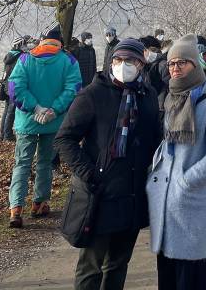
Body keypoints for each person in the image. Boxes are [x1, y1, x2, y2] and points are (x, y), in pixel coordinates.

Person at [54, 38, 159, 290]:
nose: (123, 65)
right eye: (118, 60)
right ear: (111, 62)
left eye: (130, 60)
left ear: (141, 64)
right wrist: (89, 173)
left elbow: (154, 138)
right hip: (100, 194)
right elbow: (65, 139)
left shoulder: (148, 96)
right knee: (91, 266)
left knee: (118, 263)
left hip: (132, 193)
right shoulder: (93, 94)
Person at [146, 38, 206, 290]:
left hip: (192, 199)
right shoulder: (172, 100)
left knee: (190, 274)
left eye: (182, 62)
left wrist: (186, 181)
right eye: (171, 63)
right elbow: (168, 145)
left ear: (195, 65)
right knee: (168, 273)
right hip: (166, 200)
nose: (175, 68)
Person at [7, 25, 82, 228]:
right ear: (60, 43)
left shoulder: (25, 59)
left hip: (27, 122)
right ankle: (39, 204)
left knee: (22, 164)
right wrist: (54, 110)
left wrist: (35, 108)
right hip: (53, 122)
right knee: (45, 163)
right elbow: (73, 89)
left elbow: (15, 88)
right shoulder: (68, 61)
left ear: (42, 41)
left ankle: (16, 208)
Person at [0, 37, 30, 142]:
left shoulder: (9, 55)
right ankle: (7, 135)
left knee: (6, 111)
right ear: (19, 45)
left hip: (6, 85)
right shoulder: (20, 56)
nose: (25, 46)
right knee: (11, 112)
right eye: (24, 44)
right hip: (13, 86)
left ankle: (2, 134)